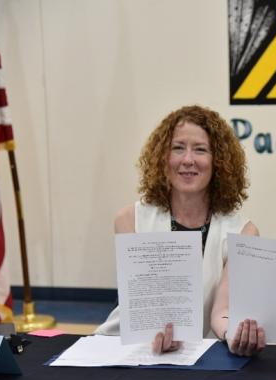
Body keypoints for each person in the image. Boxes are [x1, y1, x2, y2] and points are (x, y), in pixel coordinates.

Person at [95, 105, 265, 356]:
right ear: (163, 157)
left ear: (218, 161)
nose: (188, 160)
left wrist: (234, 335)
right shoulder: (129, 220)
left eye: (200, 149)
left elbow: (222, 311)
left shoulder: (243, 232)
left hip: (195, 354)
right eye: (178, 148)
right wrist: (157, 332)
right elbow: (141, 307)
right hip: (126, 347)